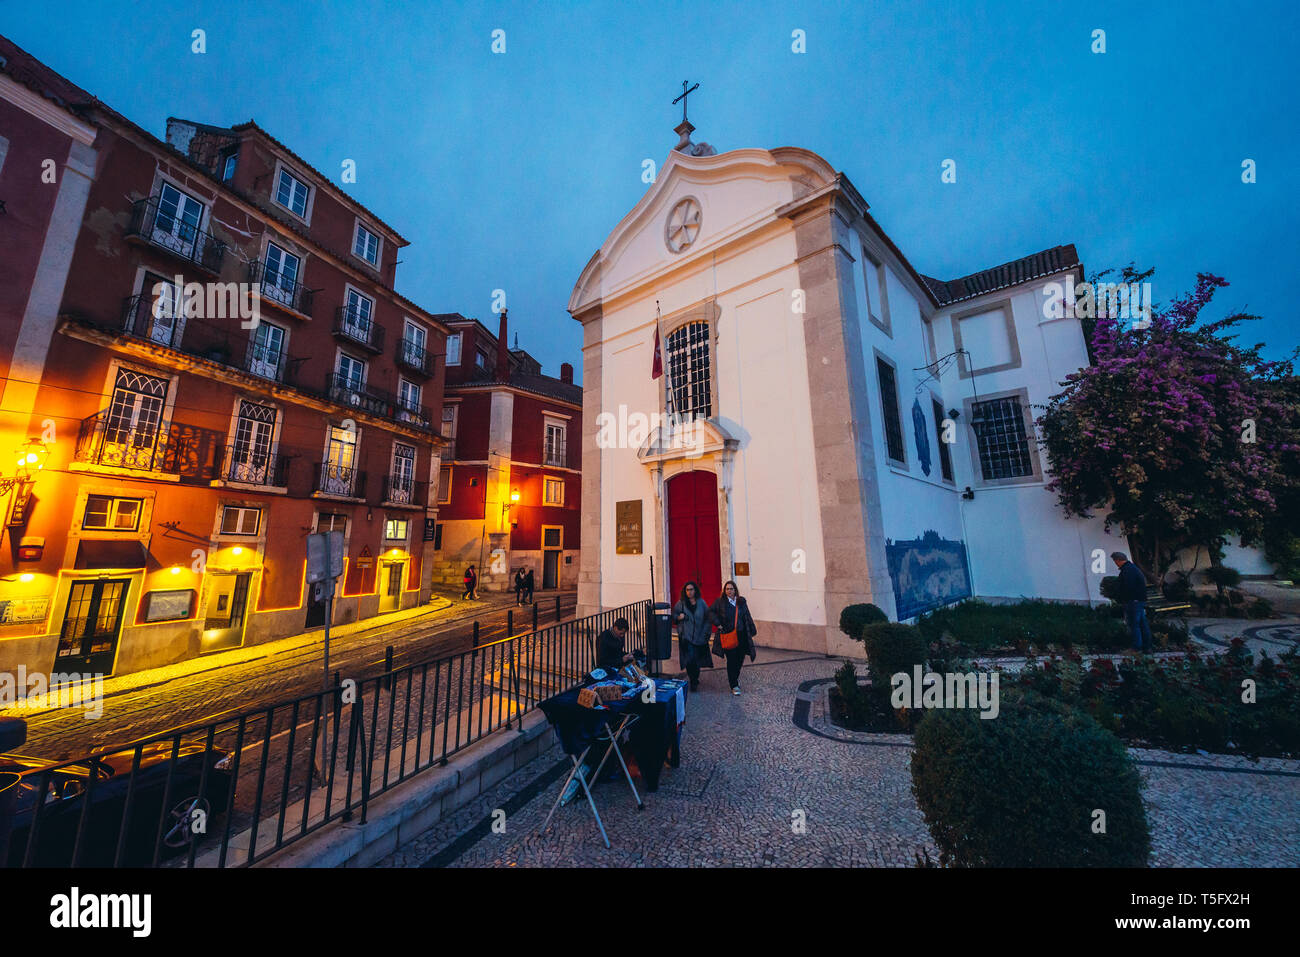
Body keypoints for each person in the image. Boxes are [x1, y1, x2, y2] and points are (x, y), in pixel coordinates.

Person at [709, 580, 758, 695]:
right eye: (727, 589)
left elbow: (747, 615)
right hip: (728, 635)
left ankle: (734, 678)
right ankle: (734, 685)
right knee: (731, 660)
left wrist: (751, 629)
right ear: (724, 591)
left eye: (731, 589)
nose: (729, 591)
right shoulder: (720, 602)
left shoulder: (741, 602)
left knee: (740, 660)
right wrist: (718, 624)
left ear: (735, 590)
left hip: (741, 636)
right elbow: (710, 612)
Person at [672, 581, 714, 692]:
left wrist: (706, 633)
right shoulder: (680, 603)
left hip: (699, 637)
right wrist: (679, 617)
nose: (689, 592)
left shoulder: (701, 603)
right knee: (689, 659)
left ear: (695, 590)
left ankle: (695, 677)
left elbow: (708, 618)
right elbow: (674, 616)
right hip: (686, 637)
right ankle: (693, 680)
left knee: (696, 660)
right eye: (687, 590)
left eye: (691, 589)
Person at [1112, 551, 1152, 651]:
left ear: (1118, 560)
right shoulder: (1132, 568)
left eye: (1115, 561)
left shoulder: (1127, 570)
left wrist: (1122, 598)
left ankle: (1136, 647)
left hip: (1133, 601)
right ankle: (1147, 647)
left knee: (1135, 624)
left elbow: (1127, 587)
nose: (1115, 563)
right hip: (1139, 600)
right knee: (1142, 624)